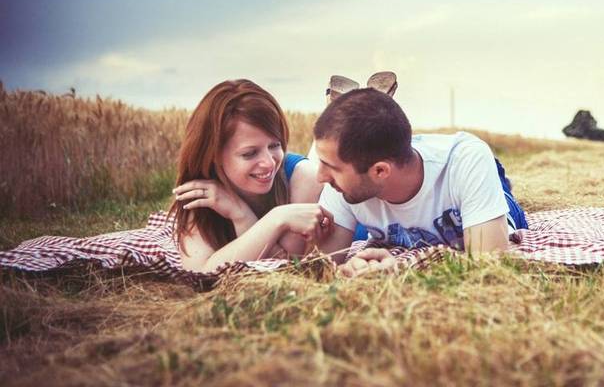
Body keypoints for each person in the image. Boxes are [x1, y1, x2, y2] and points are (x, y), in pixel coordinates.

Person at [308, 88, 527, 276]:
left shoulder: (466, 160)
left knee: (496, 189)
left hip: (467, 178)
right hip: (406, 162)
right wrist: (350, 269)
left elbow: (488, 266)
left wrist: (404, 269)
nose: (320, 177)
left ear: (380, 171)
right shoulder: (341, 184)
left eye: (332, 168)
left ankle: (498, 183)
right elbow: (321, 266)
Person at [169, 79, 334, 272]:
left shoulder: (303, 177)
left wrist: (243, 217)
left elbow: (287, 269)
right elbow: (198, 273)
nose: (269, 163)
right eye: (249, 153)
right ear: (214, 156)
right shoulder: (204, 193)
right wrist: (258, 216)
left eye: (274, 145)